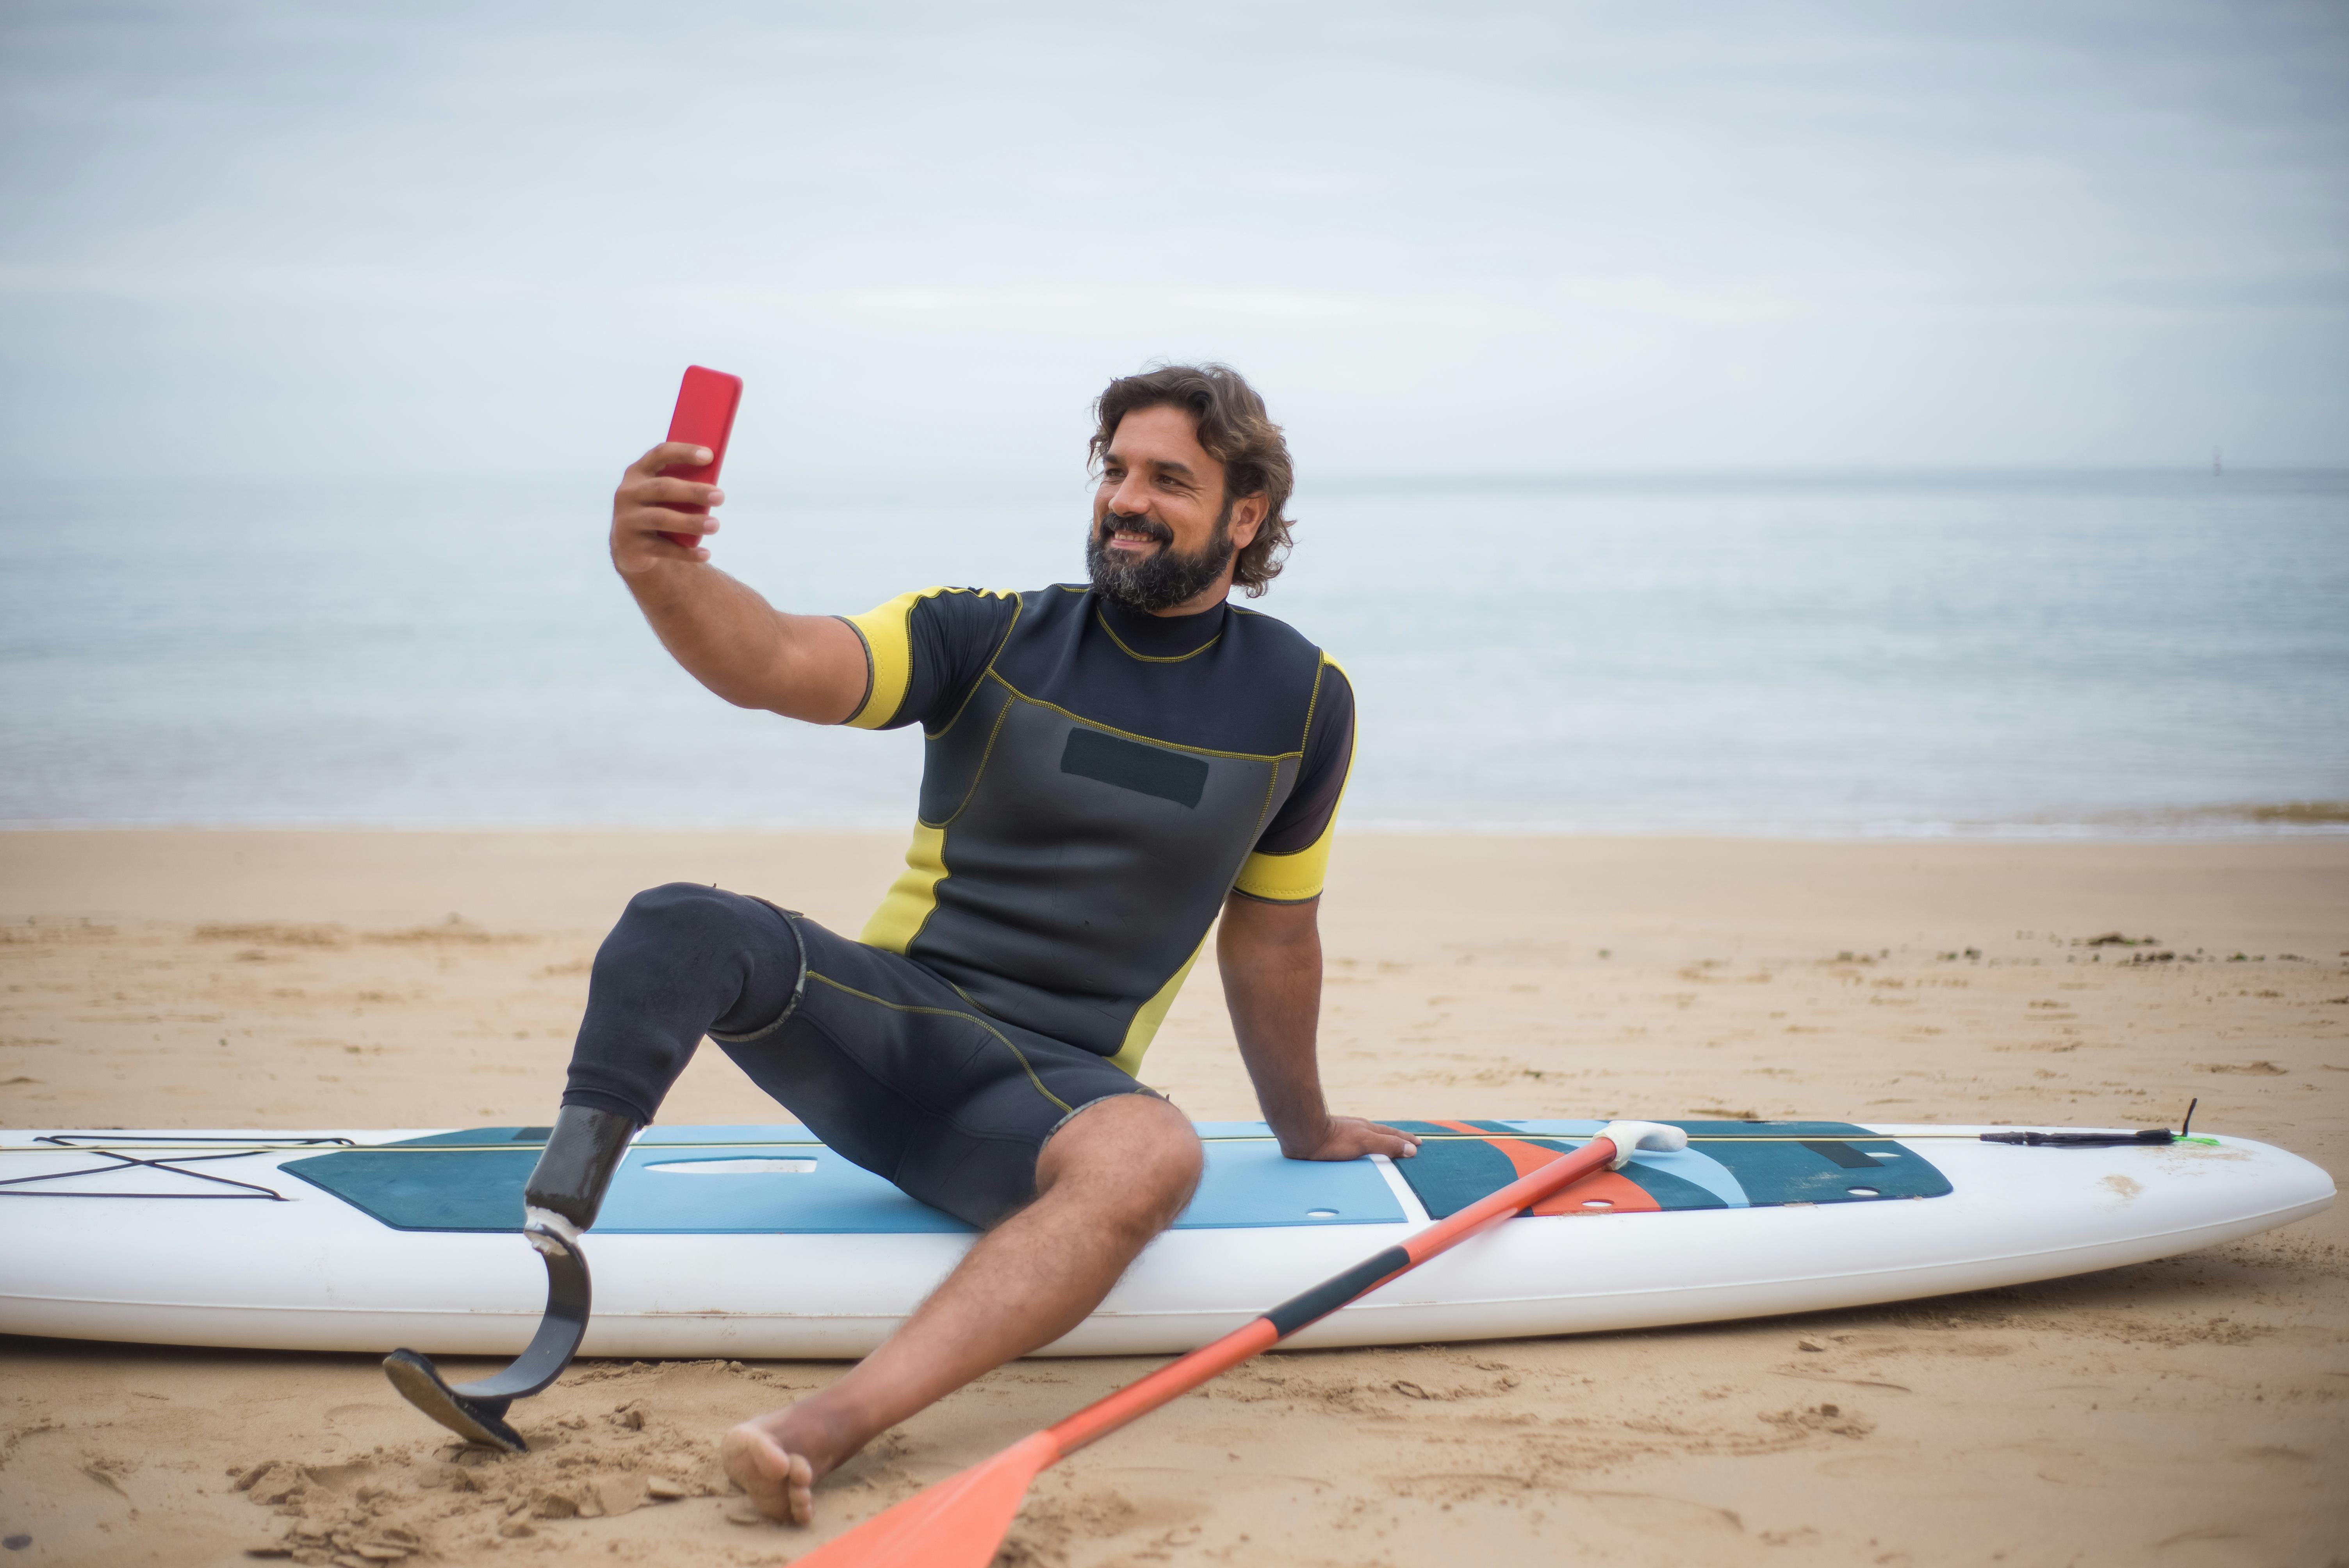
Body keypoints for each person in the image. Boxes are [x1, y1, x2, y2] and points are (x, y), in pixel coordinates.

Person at [529, 362, 1418, 1525]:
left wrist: (1304, 1128)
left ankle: (828, 1427)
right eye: (1114, 470)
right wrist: (662, 571)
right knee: (680, 923)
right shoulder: (990, 635)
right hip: (888, 1027)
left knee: (1155, 1157)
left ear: (1245, 516)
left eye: (1168, 479)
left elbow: (1274, 936)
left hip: (1044, 1096)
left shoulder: (1303, 701)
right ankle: (556, 1229)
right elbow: (778, 661)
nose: (1126, 498)